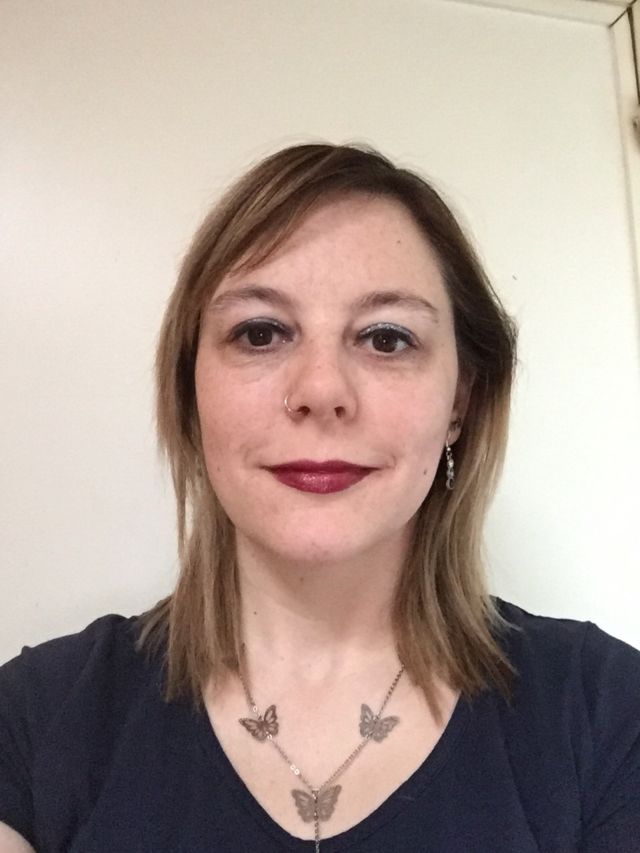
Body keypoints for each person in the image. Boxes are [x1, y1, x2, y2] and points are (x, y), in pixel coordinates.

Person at [1, 142, 639, 853]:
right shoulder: (34, 717)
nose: (321, 390)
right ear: (191, 392)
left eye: (387, 339)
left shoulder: (608, 715)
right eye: (261, 332)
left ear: (460, 400)